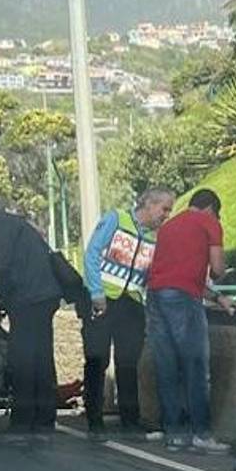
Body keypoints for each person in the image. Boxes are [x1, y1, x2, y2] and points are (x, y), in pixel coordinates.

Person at [0, 197, 63, 448]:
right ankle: (43, 419)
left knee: (23, 360)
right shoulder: (11, 224)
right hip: (42, 295)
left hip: (28, 298)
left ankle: (23, 421)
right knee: (40, 358)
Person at [145, 188, 236, 454]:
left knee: (167, 366)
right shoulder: (209, 223)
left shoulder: (168, 227)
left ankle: (174, 435)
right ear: (211, 208)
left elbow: (178, 275)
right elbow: (217, 270)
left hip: (155, 296)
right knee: (196, 366)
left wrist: (217, 298)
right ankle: (201, 433)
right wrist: (220, 273)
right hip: (183, 301)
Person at [81, 187, 175, 442]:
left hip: (131, 302)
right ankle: (94, 418)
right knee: (97, 359)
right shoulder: (116, 219)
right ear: (149, 204)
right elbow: (91, 254)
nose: (166, 215)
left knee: (127, 362)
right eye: (164, 208)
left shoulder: (155, 238)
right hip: (104, 299)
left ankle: (130, 419)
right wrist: (96, 292)